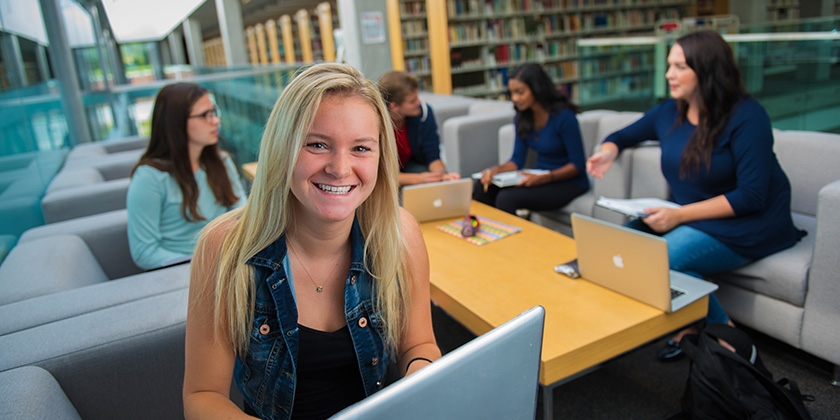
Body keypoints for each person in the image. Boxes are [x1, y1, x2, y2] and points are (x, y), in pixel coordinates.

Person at [183, 63, 441, 420]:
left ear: (381, 158)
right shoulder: (225, 248)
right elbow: (202, 395)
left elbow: (419, 344)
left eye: (361, 149)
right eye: (317, 145)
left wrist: (420, 380)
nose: (340, 167)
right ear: (283, 148)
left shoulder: (400, 234)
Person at [586, 30, 805, 361]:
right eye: (669, 65)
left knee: (665, 258)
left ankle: (731, 341)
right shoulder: (669, 112)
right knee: (625, 244)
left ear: (707, 71)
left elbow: (751, 196)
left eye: (679, 66)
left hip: (749, 222)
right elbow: (623, 134)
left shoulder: (748, 116)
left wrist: (678, 216)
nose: (668, 74)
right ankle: (688, 322)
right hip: (695, 217)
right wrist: (608, 150)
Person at [127, 82, 246, 270]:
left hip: (229, 262)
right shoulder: (149, 178)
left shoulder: (221, 161)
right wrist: (201, 265)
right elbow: (145, 252)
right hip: (181, 271)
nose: (215, 120)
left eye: (214, 112)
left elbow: (242, 213)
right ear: (177, 122)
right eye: (204, 115)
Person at [473, 63, 589, 215]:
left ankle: (512, 238)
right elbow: (516, 160)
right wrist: (495, 170)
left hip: (568, 182)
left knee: (507, 198)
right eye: (512, 93)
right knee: (481, 187)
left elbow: (577, 165)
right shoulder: (524, 118)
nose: (515, 98)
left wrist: (545, 178)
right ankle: (487, 233)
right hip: (538, 176)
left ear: (536, 89)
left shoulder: (564, 117)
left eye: (520, 93)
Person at [378, 70, 460, 186]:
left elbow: (432, 155)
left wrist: (442, 176)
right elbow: (380, 174)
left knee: (433, 186)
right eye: (412, 101)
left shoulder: (423, 114)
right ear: (394, 106)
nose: (419, 102)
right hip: (383, 175)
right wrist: (418, 179)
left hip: (410, 165)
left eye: (417, 97)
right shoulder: (375, 124)